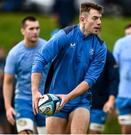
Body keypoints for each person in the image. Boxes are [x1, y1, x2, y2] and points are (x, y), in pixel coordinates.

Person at [31, 2, 107, 134]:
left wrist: (68, 97)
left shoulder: (100, 47)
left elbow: (89, 80)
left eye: (100, 18)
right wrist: (35, 91)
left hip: (80, 101)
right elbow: (40, 59)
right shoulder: (64, 35)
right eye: (95, 18)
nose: (99, 22)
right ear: (82, 19)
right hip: (54, 98)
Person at [3, 16, 48, 134]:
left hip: (44, 99)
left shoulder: (47, 48)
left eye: (37, 28)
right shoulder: (15, 53)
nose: (35, 32)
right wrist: (8, 107)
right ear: (23, 30)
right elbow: (7, 82)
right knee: (24, 133)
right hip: (23, 100)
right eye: (31, 28)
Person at [88, 50, 119, 134]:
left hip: (99, 104)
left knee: (94, 132)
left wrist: (111, 100)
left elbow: (114, 79)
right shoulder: (77, 50)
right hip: (78, 102)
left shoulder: (107, 55)